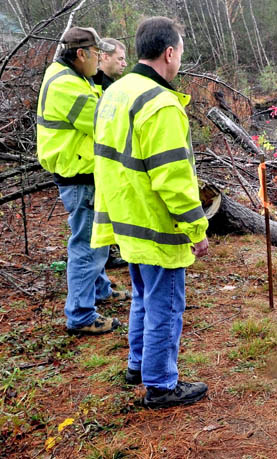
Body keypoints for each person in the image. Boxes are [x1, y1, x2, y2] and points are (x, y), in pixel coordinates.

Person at [92, 17, 210, 408]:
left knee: (144, 297)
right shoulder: (160, 104)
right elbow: (173, 178)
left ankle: (138, 365)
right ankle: (160, 384)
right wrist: (197, 228)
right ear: (169, 53)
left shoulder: (116, 91)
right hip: (155, 224)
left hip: (125, 219)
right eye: (180, 53)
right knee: (166, 306)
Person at [36, 26, 126, 335]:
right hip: (78, 175)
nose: (101, 60)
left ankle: (99, 289)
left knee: (95, 238)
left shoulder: (73, 76)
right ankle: (81, 314)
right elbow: (104, 121)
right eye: (97, 55)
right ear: (81, 54)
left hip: (82, 170)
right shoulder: (66, 85)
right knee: (88, 245)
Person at [91, 37, 129, 269]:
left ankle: (107, 254)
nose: (124, 64)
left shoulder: (110, 85)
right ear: (104, 57)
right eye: (120, 59)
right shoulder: (95, 84)